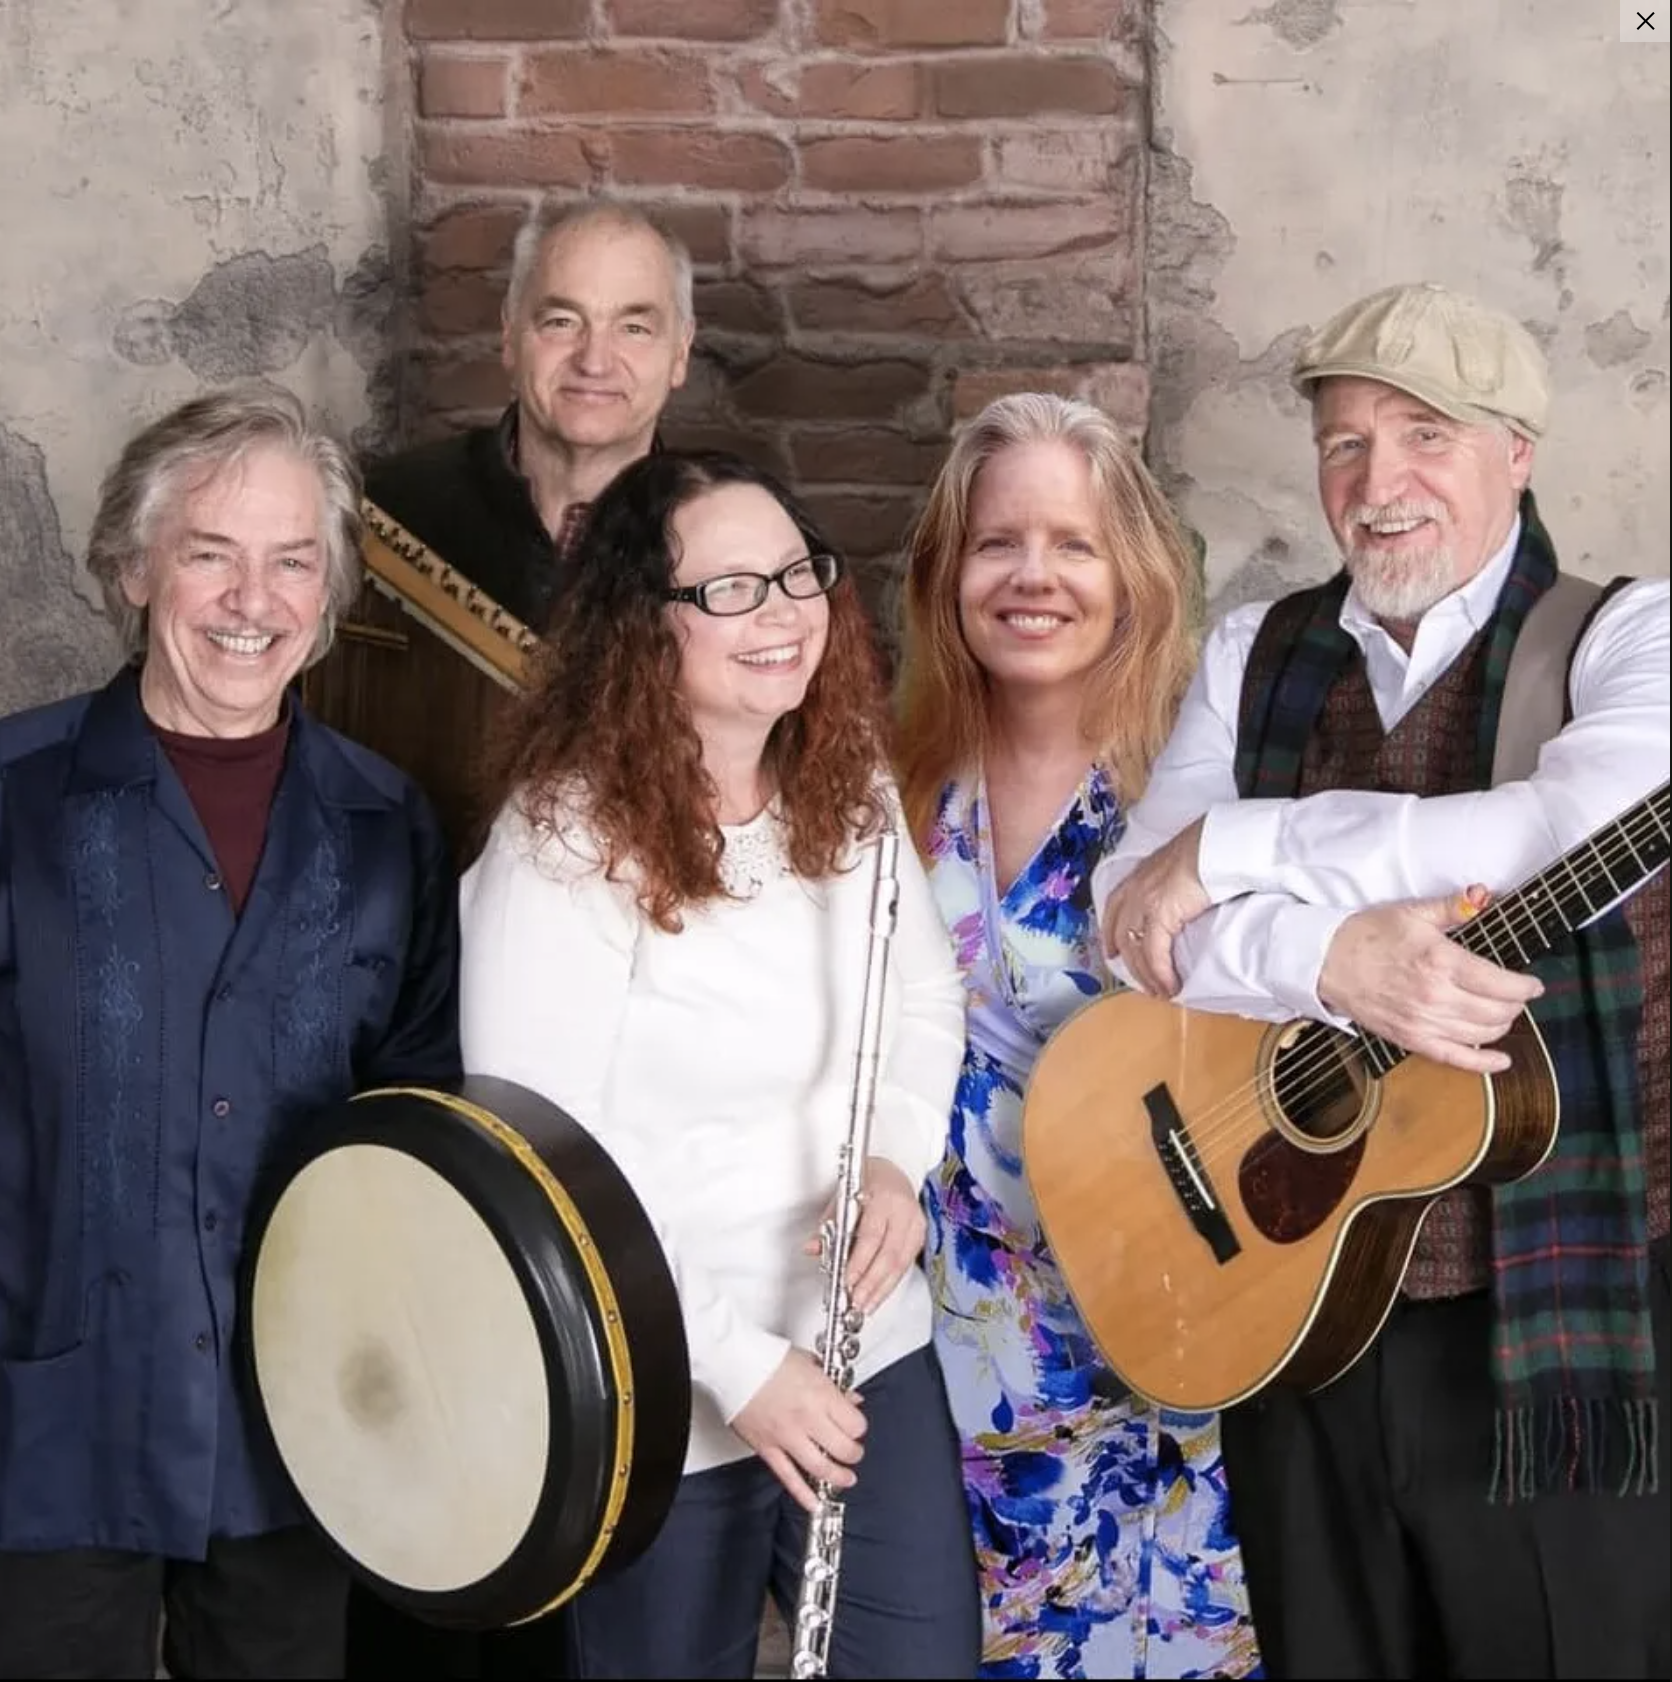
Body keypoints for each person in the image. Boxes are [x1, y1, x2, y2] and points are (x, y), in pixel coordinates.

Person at [1094, 282, 1670, 1679]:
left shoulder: (1627, 637)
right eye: (1345, 443)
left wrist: (1237, 847)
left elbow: (1553, 833)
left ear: (1517, 451)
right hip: (1290, 1294)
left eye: (1426, 436)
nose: (1378, 481)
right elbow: (1131, 916)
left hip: (1556, 1325)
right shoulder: (1255, 651)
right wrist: (1332, 958)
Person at [455, 448, 981, 1679]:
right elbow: (543, 1152)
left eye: (798, 575)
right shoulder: (562, 841)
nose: (786, 613)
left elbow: (920, 994)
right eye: (730, 589)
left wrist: (900, 1161)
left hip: (862, 1345)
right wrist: (741, 1369)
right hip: (660, 1385)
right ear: (644, 627)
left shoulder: (843, 790)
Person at [0, 385, 462, 1679]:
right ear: (136, 567)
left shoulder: (387, 830)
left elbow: (415, 1129)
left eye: (292, 561)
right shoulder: (14, 802)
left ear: (328, 596)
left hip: (295, 1437)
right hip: (46, 1429)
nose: (250, 599)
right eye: (210, 553)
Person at [893, 392, 1264, 1679]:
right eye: (998, 543)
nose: (1032, 576)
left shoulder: (1202, 795)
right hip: (937, 1346)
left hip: (1158, 1323)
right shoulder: (892, 782)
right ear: (949, 575)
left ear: (1134, 576)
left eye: (1074, 543)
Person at [367, 195, 693, 631]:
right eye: (561, 321)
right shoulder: (386, 507)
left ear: (681, 353)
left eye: (634, 328)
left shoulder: (725, 538)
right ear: (509, 335)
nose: (594, 362)